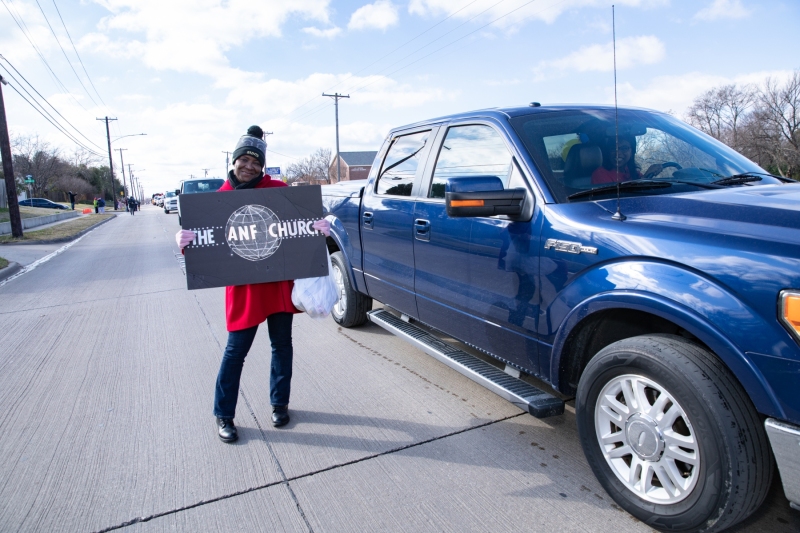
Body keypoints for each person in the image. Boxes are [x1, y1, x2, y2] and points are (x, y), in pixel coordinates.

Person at [175, 125, 331, 444]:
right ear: (233, 162)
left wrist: (319, 225)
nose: (249, 166)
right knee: (235, 352)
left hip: (276, 283)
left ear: (262, 166)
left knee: (282, 345)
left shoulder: (278, 189)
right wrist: (184, 241)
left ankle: (279, 404)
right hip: (244, 289)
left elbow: (303, 220)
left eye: (255, 162)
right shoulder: (217, 201)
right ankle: (224, 415)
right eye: (243, 160)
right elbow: (204, 243)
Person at [591, 136, 663, 184]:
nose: (618, 153)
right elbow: (618, 201)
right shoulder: (600, 174)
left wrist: (649, 174)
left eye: (624, 148)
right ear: (608, 152)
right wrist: (645, 177)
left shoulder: (630, 170)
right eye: (613, 148)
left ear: (632, 152)